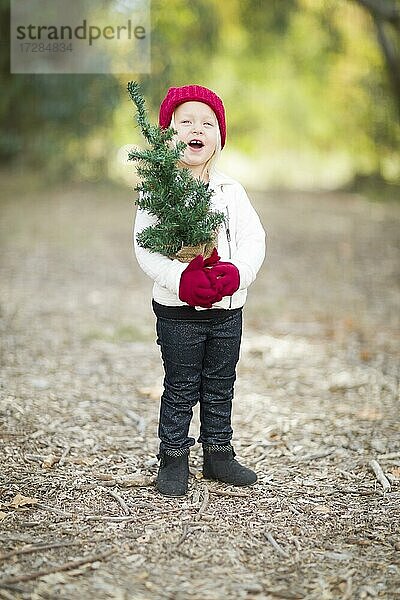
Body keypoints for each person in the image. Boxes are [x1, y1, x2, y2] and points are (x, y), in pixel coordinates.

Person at [133, 84, 266, 496]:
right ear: (168, 134)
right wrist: (180, 279)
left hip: (228, 310)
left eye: (207, 123)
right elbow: (145, 249)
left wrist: (238, 273)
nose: (197, 128)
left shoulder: (231, 192)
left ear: (218, 138)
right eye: (185, 121)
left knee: (221, 381)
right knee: (181, 384)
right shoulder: (158, 192)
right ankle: (173, 458)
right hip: (178, 311)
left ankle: (218, 454)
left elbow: (254, 241)